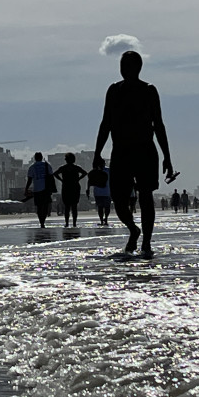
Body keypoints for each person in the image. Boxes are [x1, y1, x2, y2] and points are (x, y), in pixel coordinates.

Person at [94, 50, 175, 258]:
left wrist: (167, 156)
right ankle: (133, 230)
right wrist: (97, 152)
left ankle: (146, 242)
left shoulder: (148, 90)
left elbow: (159, 125)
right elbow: (106, 123)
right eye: (122, 65)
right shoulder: (113, 91)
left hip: (145, 150)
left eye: (127, 65)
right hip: (120, 151)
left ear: (137, 68)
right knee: (119, 199)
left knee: (146, 197)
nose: (124, 69)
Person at [53, 152, 88, 228]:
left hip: (66, 187)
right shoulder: (76, 167)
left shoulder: (63, 168)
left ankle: (67, 223)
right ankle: (74, 223)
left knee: (67, 206)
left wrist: (61, 180)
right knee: (74, 206)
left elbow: (55, 174)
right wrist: (78, 179)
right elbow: (85, 173)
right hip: (75, 187)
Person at [24, 152, 54, 228]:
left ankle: (41, 221)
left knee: (39, 206)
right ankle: (43, 219)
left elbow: (29, 179)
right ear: (41, 157)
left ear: (35, 158)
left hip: (37, 189)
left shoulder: (32, 167)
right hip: (46, 189)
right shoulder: (47, 165)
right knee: (46, 206)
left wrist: (26, 189)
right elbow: (51, 177)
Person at [86, 158, 111, 225]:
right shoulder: (96, 171)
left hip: (104, 192)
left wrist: (88, 189)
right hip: (101, 192)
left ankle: (104, 219)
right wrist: (88, 189)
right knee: (103, 207)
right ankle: (103, 220)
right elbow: (90, 180)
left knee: (104, 207)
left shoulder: (107, 170)